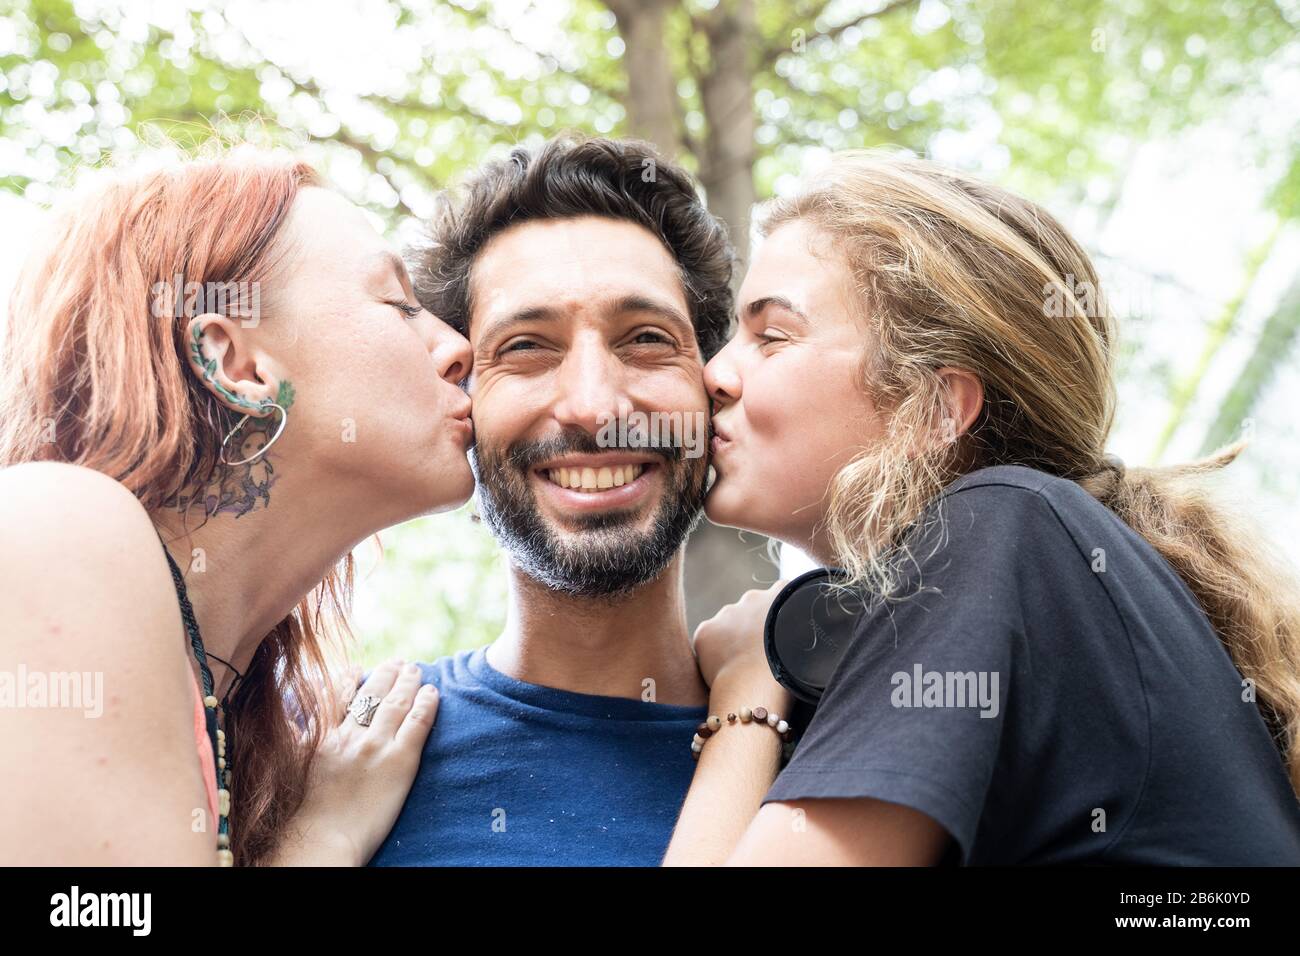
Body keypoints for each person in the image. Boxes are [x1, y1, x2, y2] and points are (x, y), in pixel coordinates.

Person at [663, 150, 1300, 865]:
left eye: (772, 336)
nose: (714, 373)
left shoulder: (1002, 522)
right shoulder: (1039, 570)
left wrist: (746, 697)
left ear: (933, 406)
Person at [0, 144, 474, 865]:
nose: (458, 348)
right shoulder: (58, 523)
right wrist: (321, 843)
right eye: (399, 304)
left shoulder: (242, 715)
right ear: (238, 364)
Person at [368, 136, 738, 866]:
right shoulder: (338, 754)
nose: (595, 407)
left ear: (713, 386)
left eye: (645, 339)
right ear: (459, 400)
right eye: (528, 347)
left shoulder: (848, 750)